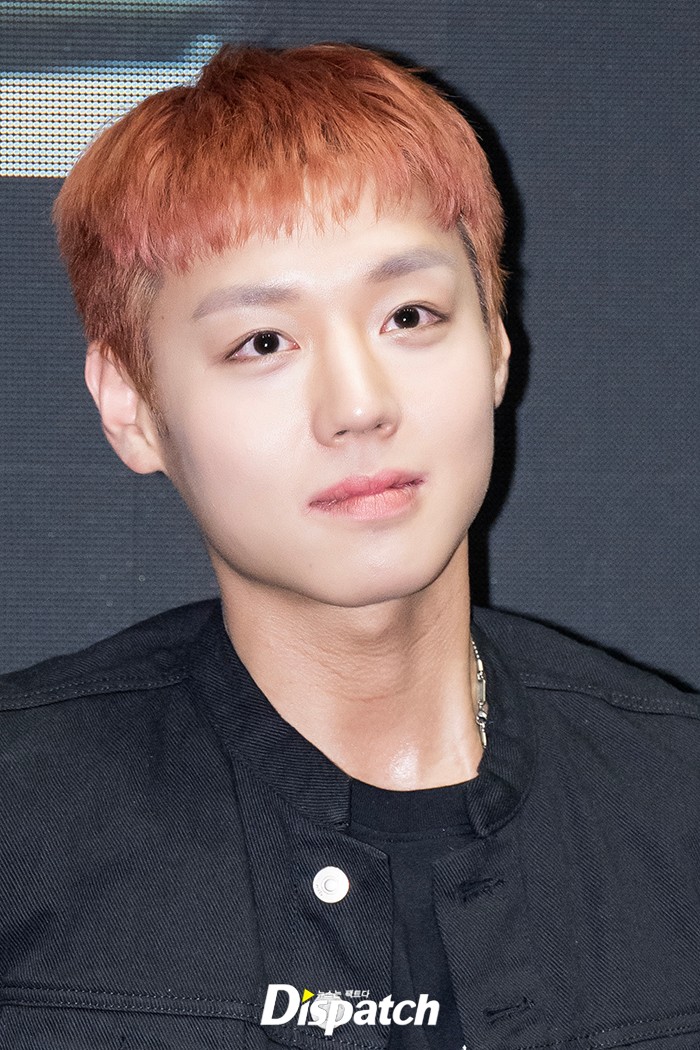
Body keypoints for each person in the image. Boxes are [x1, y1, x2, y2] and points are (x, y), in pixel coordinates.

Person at [1, 42, 698, 1050]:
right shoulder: (27, 825)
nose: (360, 405)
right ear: (131, 407)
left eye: (409, 315)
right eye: (262, 343)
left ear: (497, 342)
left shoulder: (675, 804)